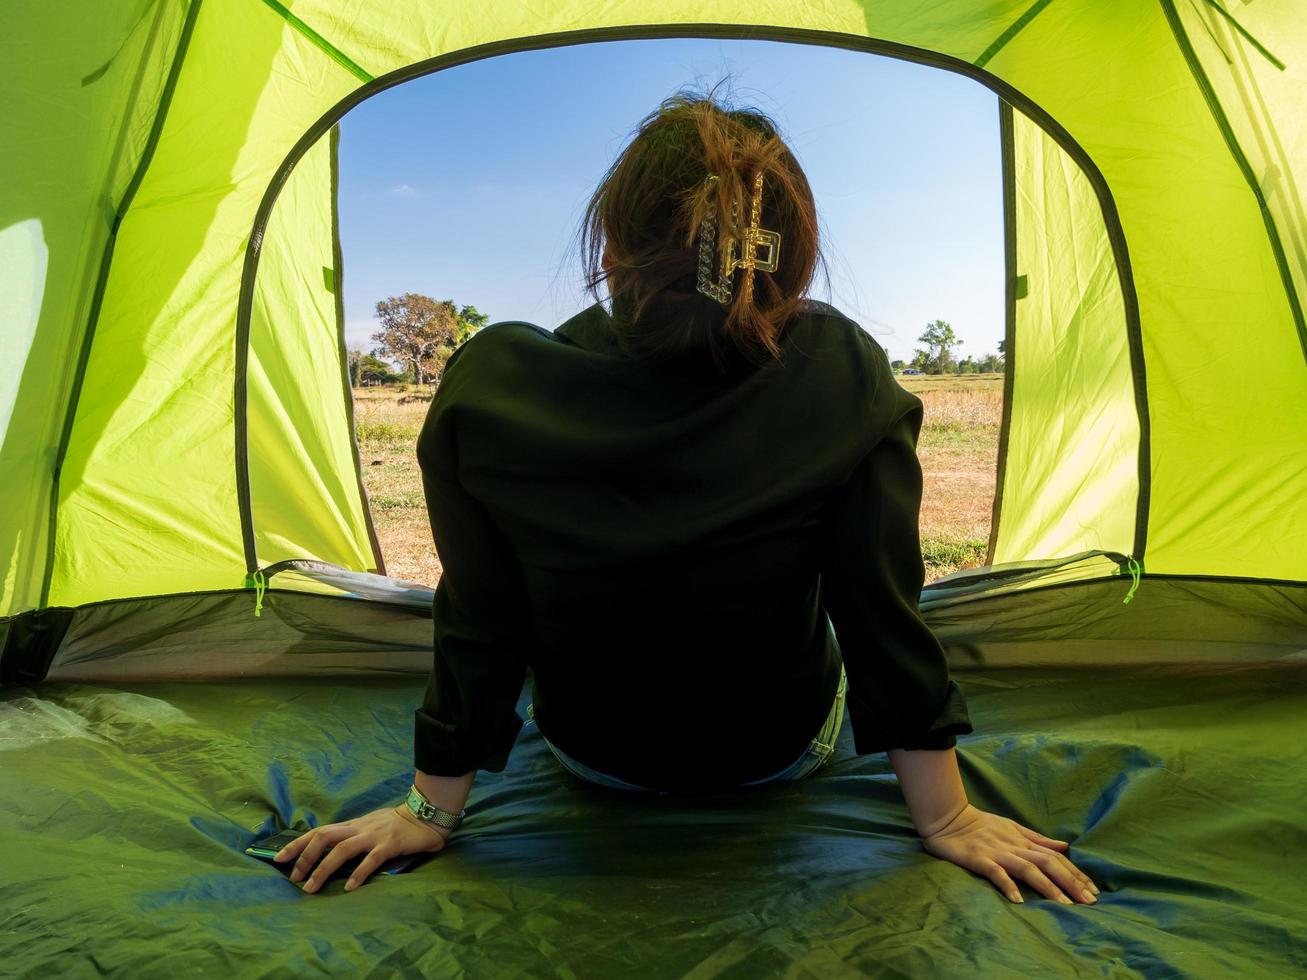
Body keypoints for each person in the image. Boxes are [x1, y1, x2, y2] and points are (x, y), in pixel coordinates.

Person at [275, 88, 1099, 907]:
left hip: (592, 755)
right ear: (789, 247)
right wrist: (946, 816)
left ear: (611, 242)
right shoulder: (839, 367)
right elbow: (879, 609)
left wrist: (429, 811)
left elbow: (480, 619)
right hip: (774, 752)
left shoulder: (491, 383)